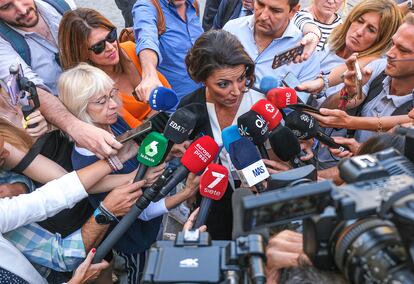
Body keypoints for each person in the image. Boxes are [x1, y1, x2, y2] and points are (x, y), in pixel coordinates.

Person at [59, 63, 200, 283]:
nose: (114, 104)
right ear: (79, 109)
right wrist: (184, 193)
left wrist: (167, 152)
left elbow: (141, 153)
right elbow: (142, 211)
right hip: (134, 242)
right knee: (140, 276)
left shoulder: (112, 122)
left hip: (152, 228)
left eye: (113, 94)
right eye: (101, 101)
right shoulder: (86, 160)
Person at [0, 132, 145, 283]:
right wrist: (106, 211)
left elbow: (47, 198)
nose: (9, 154)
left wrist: (20, 186)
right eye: (2, 158)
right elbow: (61, 255)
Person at [0, 0, 122, 158]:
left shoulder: (61, 4)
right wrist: (75, 127)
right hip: (65, 128)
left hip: (109, 104)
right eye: (6, 7)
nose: (22, 10)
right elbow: (30, 88)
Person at [178, 29, 268, 240]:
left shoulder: (261, 104)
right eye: (223, 84)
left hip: (255, 202)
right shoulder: (190, 108)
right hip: (209, 206)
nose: (236, 91)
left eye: (241, 78)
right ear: (202, 80)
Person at [58, 8, 172, 128]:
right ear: (82, 53)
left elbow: (168, 93)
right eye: (98, 46)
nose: (110, 47)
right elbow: (136, 130)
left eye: (111, 36)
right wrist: (158, 112)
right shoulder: (92, 87)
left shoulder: (130, 49)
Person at [223, 0, 321, 103]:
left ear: (293, 11)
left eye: (275, 11)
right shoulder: (232, 29)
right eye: (260, 4)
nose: (263, 16)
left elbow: (300, 109)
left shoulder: (305, 52)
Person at [132, 0, 203, 107]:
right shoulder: (146, 7)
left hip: (204, 99)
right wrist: (149, 75)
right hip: (176, 107)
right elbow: (146, 38)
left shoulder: (192, 4)